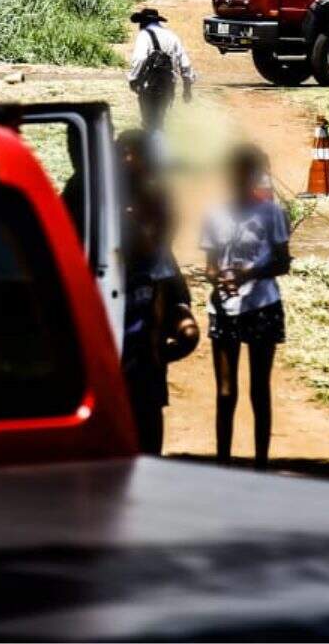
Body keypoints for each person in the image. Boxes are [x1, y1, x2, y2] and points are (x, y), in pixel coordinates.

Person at [200, 145, 291, 467]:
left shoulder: (272, 214)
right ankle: (223, 462)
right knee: (225, 392)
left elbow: (282, 262)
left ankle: (261, 464)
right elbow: (210, 265)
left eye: (244, 172)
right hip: (224, 308)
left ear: (253, 176)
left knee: (258, 389)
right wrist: (220, 279)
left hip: (263, 305)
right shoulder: (213, 213)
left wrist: (248, 274)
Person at [115, 130, 199, 454]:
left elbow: (161, 242)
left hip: (145, 335)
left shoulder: (156, 199)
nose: (128, 159)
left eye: (133, 153)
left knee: (148, 412)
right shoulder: (100, 196)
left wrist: (172, 343)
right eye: (123, 152)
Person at [127, 8, 195, 134]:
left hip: (149, 86)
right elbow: (185, 63)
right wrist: (187, 88)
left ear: (143, 22)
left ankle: (151, 148)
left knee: (149, 123)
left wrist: (133, 78)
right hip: (168, 85)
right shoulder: (172, 36)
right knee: (162, 120)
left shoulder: (144, 35)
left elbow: (140, 58)